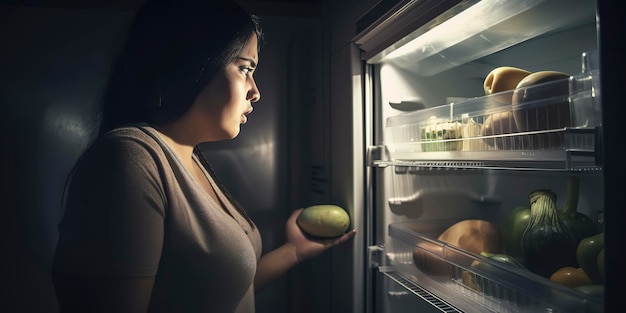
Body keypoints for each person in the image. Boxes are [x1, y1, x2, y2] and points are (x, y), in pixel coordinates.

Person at [50, 0, 356, 312]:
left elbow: (219, 294)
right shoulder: (131, 158)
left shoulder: (187, 157)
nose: (255, 91)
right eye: (244, 69)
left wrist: (294, 251)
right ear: (191, 64)